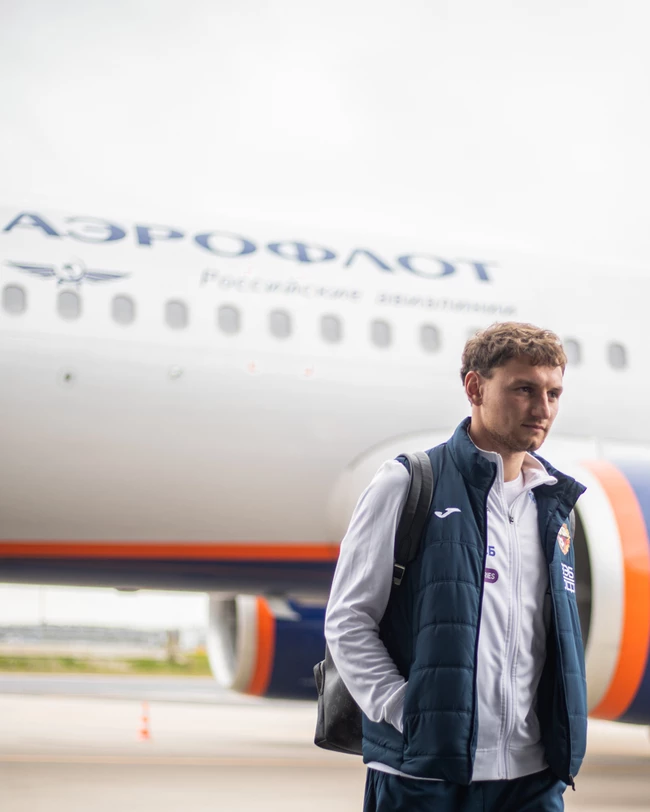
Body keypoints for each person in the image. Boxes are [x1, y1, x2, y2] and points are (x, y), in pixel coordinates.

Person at [324, 322, 587, 812]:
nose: (543, 409)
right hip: (423, 776)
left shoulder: (555, 505)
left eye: (553, 393)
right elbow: (348, 620)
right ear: (474, 388)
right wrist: (407, 712)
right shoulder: (408, 483)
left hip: (533, 778)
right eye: (524, 389)